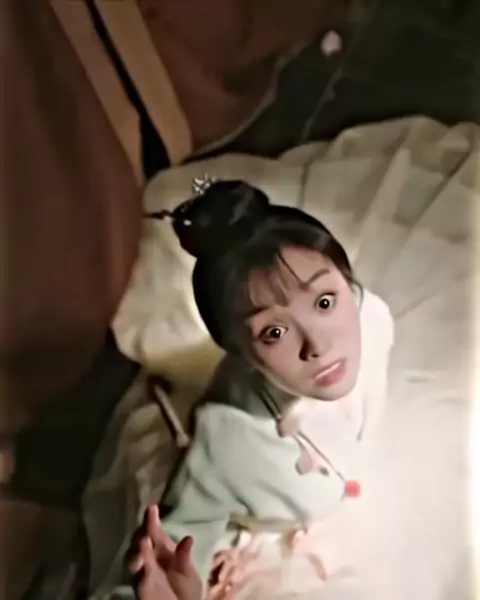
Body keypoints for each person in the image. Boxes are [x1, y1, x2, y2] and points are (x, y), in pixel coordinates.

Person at [128, 178, 394, 599]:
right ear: (238, 352)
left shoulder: (372, 317)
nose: (318, 345)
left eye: (325, 302)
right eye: (274, 332)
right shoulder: (228, 441)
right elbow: (177, 543)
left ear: (346, 281)